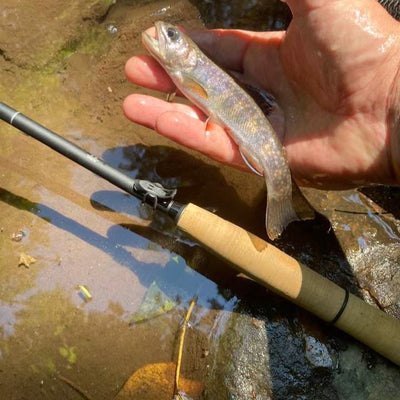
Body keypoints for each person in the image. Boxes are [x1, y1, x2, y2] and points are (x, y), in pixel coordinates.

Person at [123, 0, 400, 189]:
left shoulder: (189, 69)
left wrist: (388, 83)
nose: (164, 34)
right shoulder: (187, 68)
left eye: (172, 36)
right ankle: (283, 190)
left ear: (187, 52)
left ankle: (282, 191)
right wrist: (388, 84)